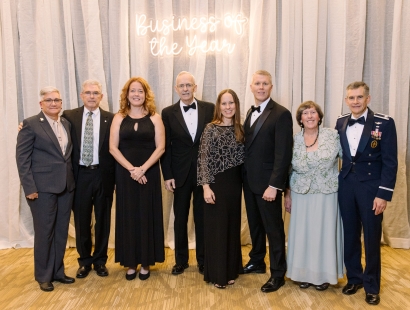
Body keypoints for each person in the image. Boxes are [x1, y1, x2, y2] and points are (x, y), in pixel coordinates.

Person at [335, 81, 398, 305]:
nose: (355, 102)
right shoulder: (340, 122)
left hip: (372, 188)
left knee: (371, 238)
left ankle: (372, 285)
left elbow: (390, 162)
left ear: (367, 99)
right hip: (346, 186)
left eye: (359, 97)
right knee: (350, 235)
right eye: (351, 98)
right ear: (346, 100)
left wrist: (383, 194)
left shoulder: (384, 123)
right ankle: (355, 278)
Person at [16, 87, 76, 292]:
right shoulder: (31, 124)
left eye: (57, 100)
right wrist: (29, 187)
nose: (53, 103)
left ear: (61, 103)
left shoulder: (66, 123)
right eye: (49, 100)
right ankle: (43, 275)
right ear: (41, 104)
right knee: (45, 232)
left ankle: (58, 271)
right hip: (41, 189)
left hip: (66, 186)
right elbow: (22, 159)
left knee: (61, 232)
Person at [109, 77, 165, 281]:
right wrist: (132, 169)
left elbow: (161, 148)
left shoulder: (155, 118)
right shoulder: (119, 117)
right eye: (132, 91)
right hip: (125, 174)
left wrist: (142, 169)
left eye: (140, 91)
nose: (136, 94)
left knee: (146, 215)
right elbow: (112, 148)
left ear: (146, 94)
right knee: (128, 216)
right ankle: (130, 262)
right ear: (127, 94)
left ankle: (146, 261)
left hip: (148, 173)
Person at [284, 101, 344, 291]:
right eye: (305, 113)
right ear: (300, 119)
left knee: (324, 234)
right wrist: (287, 195)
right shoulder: (294, 140)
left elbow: (349, 159)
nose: (309, 116)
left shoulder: (332, 135)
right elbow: (288, 169)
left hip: (327, 194)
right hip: (301, 194)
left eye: (313, 112)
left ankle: (324, 275)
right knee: (304, 235)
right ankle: (303, 274)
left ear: (319, 116)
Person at [242, 70, 293, 293]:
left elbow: (283, 154)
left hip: (268, 185)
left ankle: (278, 273)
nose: (261, 87)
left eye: (265, 84)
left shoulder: (281, 114)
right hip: (249, 181)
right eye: (257, 83)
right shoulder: (250, 112)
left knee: (273, 229)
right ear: (251, 87)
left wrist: (275, 186)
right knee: (255, 225)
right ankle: (257, 261)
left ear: (271, 87)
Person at [161, 71, 214, 275]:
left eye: (188, 85)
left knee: (202, 218)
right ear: (176, 89)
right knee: (180, 218)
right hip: (179, 174)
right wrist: (167, 175)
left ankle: (202, 260)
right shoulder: (167, 112)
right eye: (181, 86)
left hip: (204, 175)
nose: (185, 89)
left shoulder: (209, 108)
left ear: (195, 87)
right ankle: (180, 261)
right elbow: (165, 146)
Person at [62, 80, 115, 278]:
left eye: (96, 93)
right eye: (88, 93)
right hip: (80, 175)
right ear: (81, 95)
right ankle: (84, 261)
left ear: (101, 96)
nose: (92, 96)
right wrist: (25, 124)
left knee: (103, 219)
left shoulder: (111, 118)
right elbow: (51, 128)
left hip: (103, 175)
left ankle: (100, 261)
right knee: (82, 220)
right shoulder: (69, 116)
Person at [197, 89, 245, 289]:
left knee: (232, 227)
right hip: (215, 184)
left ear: (236, 105)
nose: (228, 107)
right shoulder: (211, 128)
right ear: (219, 106)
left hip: (235, 185)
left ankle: (230, 270)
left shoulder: (240, 129)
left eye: (231, 103)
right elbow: (203, 159)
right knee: (217, 229)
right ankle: (218, 274)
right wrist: (206, 187)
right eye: (224, 103)